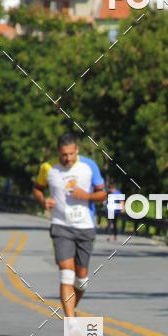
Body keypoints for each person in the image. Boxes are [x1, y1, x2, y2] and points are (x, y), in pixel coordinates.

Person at [33, 133, 106, 317]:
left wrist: (87, 196)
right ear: (58, 152)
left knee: (81, 280)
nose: (68, 158)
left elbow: (102, 194)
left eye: (72, 154)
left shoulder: (89, 166)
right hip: (60, 226)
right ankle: (71, 323)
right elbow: (37, 188)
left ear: (77, 151)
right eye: (64, 154)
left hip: (85, 226)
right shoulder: (48, 168)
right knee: (66, 274)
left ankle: (70, 310)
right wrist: (43, 201)